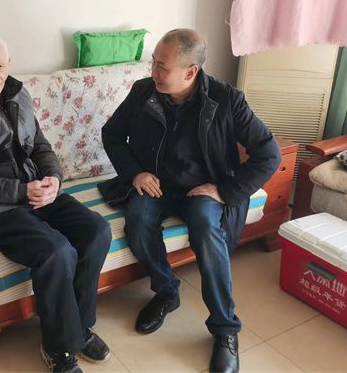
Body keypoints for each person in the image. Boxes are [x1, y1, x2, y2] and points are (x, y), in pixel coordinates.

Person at [100, 29, 281, 373]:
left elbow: (269, 153)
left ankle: (225, 330)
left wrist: (225, 192)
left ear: (190, 71)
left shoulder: (227, 100)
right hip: (156, 186)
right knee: (138, 221)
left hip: (203, 190)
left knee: (205, 227)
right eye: (153, 62)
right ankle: (167, 292)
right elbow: (112, 134)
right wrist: (135, 173)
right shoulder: (143, 92)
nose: (153, 71)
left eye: (162, 66)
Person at [0, 33, 112, 373]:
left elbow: (39, 145)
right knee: (56, 250)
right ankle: (60, 348)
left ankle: (79, 326)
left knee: (96, 230)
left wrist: (53, 178)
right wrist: (23, 192)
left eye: (0, 66)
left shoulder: (18, 93)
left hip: (33, 190)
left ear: (9, 64)